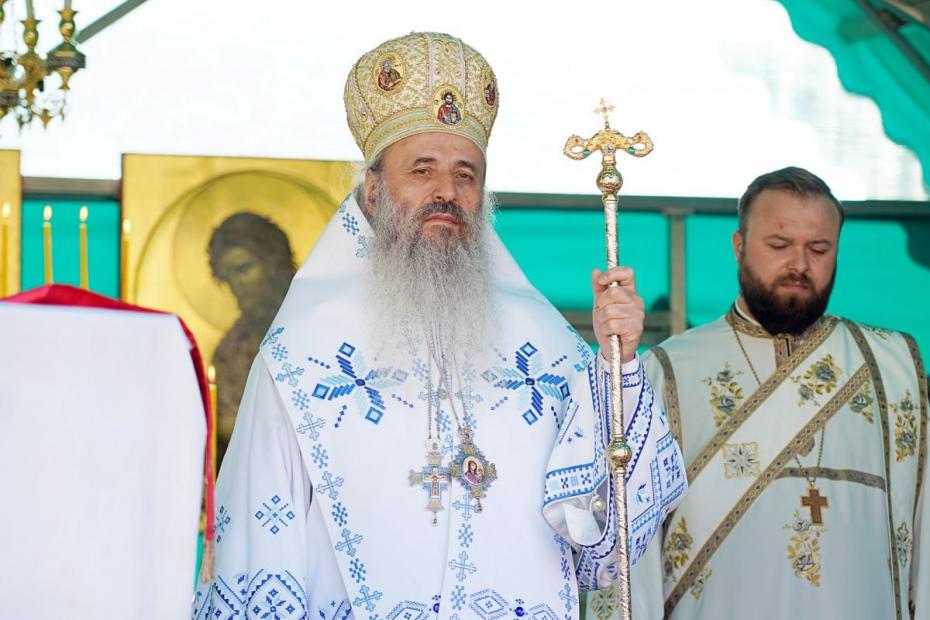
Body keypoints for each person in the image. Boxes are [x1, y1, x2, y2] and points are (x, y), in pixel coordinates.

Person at [193, 32, 685, 620]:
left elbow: (604, 545)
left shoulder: (545, 345)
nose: (446, 192)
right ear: (374, 189)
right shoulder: (303, 354)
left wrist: (618, 368)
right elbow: (260, 542)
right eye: (422, 170)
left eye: (466, 175)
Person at [606, 167, 928, 619]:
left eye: (819, 249)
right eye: (779, 245)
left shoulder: (894, 368)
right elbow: (629, 553)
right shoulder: (668, 372)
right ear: (739, 246)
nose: (800, 264)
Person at [208, 212, 297, 464]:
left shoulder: (317, 318)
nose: (237, 285)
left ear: (274, 263)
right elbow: (227, 424)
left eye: (243, 269)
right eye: (228, 278)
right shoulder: (232, 348)